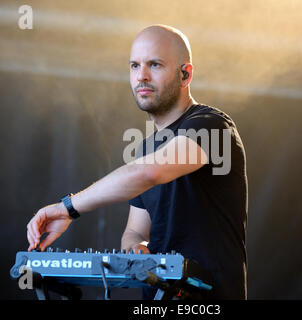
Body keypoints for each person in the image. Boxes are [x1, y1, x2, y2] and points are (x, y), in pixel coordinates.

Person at [26, 25, 248, 300]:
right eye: (134, 66)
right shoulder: (146, 149)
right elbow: (134, 231)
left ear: (185, 74)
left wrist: (67, 208)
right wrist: (136, 247)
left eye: (154, 65)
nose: (141, 76)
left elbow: (146, 173)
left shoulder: (212, 126)